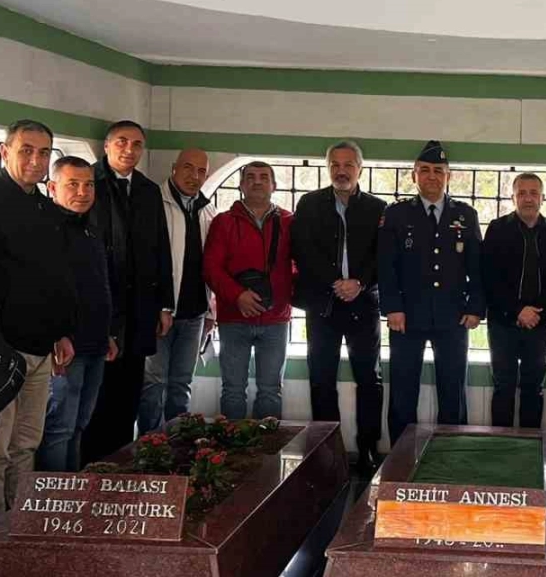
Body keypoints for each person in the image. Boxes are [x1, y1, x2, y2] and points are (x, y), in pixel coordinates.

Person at [0, 119, 75, 526]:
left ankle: (20, 528)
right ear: (5, 151)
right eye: (26, 150)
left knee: (27, 443)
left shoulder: (46, 208)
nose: (35, 160)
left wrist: (61, 331)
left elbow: (55, 276)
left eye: (43, 152)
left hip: (41, 345)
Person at [378, 140, 483, 445]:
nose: (432, 176)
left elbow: (477, 266)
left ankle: (451, 455)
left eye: (438, 170)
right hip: (407, 316)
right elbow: (386, 265)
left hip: (453, 317)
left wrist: (475, 308)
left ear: (448, 176)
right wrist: (392, 308)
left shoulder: (465, 214)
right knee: (403, 391)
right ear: (414, 175)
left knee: (453, 390)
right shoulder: (397, 214)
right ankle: (400, 458)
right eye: (424, 170)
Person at [83, 120, 174, 462]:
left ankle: (120, 462)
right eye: (121, 142)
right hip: (100, 304)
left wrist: (165, 304)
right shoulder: (89, 183)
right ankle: (91, 466)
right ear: (107, 146)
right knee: (97, 393)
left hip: (139, 307)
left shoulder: (148, 190)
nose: (129, 149)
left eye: (136, 144)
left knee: (129, 391)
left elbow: (161, 248)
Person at [292, 141, 386, 472]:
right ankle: (326, 451)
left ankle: (368, 449)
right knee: (321, 379)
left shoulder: (377, 207)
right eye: (335, 164)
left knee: (370, 380)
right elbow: (302, 250)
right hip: (324, 304)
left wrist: (359, 282)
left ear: (360, 168)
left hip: (364, 304)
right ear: (328, 167)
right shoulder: (309, 203)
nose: (341, 170)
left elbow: (382, 255)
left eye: (348, 164)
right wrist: (336, 282)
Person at [38, 157, 120, 472]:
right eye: (73, 184)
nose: (82, 192)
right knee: (59, 428)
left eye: (88, 185)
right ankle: (54, 497)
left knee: (79, 426)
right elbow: (44, 289)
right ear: (52, 187)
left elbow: (99, 286)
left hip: (95, 343)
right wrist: (56, 335)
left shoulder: (91, 228)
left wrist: (108, 333)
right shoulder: (46, 230)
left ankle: (73, 493)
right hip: (66, 347)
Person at [203, 161, 294, 420]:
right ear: (241, 185)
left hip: (276, 318)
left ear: (274, 185)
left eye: (264, 177)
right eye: (250, 177)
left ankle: (267, 446)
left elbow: (301, 264)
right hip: (234, 319)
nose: (257, 181)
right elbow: (211, 268)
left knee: (271, 391)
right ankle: (232, 446)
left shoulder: (289, 221)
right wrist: (237, 295)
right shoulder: (223, 222)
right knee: (233, 391)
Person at [482, 173, 546, 428]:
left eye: (534, 193)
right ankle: (500, 446)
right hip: (503, 324)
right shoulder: (497, 229)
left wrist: (538, 314)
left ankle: (530, 444)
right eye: (522, 193)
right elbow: (489, 278)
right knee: (503, 387)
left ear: (543, 198)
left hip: (540, 325)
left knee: (534, 388)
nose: (528, 198)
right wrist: (517, 310)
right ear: (513, 198)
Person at [138, 148, 214, 432]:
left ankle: (176, 443)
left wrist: (211, 311)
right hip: (160, 313)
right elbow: (146, 261)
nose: (194, 176)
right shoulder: (154, 203)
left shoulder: (206, 209)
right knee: (153, 382)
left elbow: (210, 266)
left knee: (181, 384)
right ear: (174, 168)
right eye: (187, 168)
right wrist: (159, 305)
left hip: (195, 314)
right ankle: (148, 443)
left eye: (201, 171)